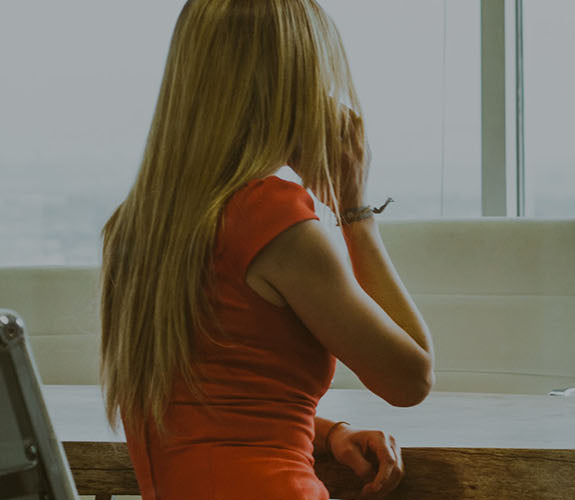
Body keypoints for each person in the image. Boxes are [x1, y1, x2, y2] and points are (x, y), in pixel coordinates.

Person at [98, 1, 435, 498]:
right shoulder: (271, 218)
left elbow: (200, 408)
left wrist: (328, 433)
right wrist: (354, 209)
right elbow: (411, 380)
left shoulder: (135, 227)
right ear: (294, 89)